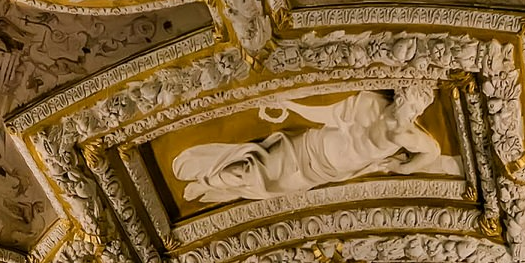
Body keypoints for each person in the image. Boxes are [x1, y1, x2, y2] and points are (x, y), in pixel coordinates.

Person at [173, 90, 461, 206]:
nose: (411, 112)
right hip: (308, 148)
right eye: (410, 104)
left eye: (416, 109)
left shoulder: (408, 135)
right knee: (254, 169)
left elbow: (433, 151)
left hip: (323, 173)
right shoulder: (369, 104)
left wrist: (404, 168)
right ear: (400, 98)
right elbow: (327, 116)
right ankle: (210, 177)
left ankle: (214, 186)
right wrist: (290, 105)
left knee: (264, 186)